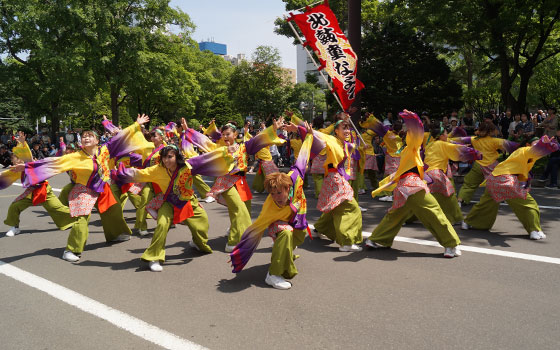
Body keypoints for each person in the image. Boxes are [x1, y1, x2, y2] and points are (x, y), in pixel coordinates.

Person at [10, 115, 150, 262]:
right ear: (81, 141)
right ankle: (72, 249)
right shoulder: (75, 156)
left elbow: (121, 136)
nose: (87, 138)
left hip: (102, 188)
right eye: (84, 136)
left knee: (113, 211)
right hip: (84, 189)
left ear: (97, 140)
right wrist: (27, 166)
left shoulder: (105, 149)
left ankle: (116, 235)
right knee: (82, 218)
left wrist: (136, 124)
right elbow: (53, 162)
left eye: (90, 136)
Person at [116, 144, 234, 271]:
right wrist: (119, 174)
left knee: (201, 225)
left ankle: (198, 243)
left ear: (177, 156)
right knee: (162, 225)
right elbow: (139, 173)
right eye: (164, 157)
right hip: (168, 202)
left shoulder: (188, 165)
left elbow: (206, 158)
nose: (166, 160)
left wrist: (225, 150)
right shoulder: (156, 170)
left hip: (188, 201)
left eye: (170, 157)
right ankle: (154, 257)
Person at [365, 110, 462, 258]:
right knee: (434, 212)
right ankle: (451, 244)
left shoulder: (406, 149)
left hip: (402, 188)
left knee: (395, 215)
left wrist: (372, 121)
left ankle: (376, 239)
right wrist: (414, 121)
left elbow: (384, 131)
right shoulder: (412, 148)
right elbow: (415, 135)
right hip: (413, 186)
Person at [229, 122, 314, 289]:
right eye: (272, 193)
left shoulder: (296, 177)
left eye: (279, 193)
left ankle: (285, 253)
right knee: (285, 235)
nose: (276, 197)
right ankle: (273, 274)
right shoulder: (270, 206)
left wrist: (309, 136)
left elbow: (304, 155)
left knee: (296, 238)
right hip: (278, 225)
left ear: (288, 188)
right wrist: (240, 253)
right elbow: (257, 228)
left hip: (298, 218)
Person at [183, 118, 286, 252]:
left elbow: (259, 139)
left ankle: (231, 230)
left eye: (228, 134)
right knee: (239, 209)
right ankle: (234, 241)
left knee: (245, 210)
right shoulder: (219, 148)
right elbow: (204, 141)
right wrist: (188, 131)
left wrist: (273, 129)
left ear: (235, 135)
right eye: (223, 134)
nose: (225, 137)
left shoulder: (244, 146)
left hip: (241, 182)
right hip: (226, 183)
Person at [463, 135, 559, 239]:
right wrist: (544, 144)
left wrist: (547, 146)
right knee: (529, 204)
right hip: (505, 181)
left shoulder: (527, 156)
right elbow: (535, 150)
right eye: (535, 143)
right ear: (528, 145)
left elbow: (524, 173)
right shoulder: (525, 150)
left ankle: (467, 222)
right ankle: (534, 230)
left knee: (485, 204)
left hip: (494, 180)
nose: (538, 147)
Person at [1, 132, 74, 237]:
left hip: (43, 191)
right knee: (14, 206)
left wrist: (23, 143)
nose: (13, 163)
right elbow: (4, 176)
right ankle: (14, 227)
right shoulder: (16, 169)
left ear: (21, 159)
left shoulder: (31, 164)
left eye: (15, 160)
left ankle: (78, 217)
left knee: (58, 208)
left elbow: (27, 155)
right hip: (30, 193)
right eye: (12, 161)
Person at [310, 115, 363, 252]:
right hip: (335, 179)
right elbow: (320, 135)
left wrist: (364, 146)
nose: (347, 131)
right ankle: (346, 242)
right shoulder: (331, 139)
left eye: (348, 128)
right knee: (351, 207)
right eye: (343, 128)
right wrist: (307, 130)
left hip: (336, 178)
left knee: (335, 207)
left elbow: (354, 148)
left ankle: (319, 229)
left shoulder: (345, 144)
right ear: (336, 131)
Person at [423, 125, 481, 225]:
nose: (447, 135)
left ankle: (407, 217)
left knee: (427, 198)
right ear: (441, 136)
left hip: (427, 175)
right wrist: (476, 154)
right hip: (436, 173)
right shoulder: (442, 144)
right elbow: (457, 150)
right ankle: (455, 218)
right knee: (449, 196)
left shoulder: (430, 145)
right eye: (445, 133)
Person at [455, 121, 519, 205]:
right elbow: (513, 145)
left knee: (469, 184)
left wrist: (446, 139)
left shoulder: (474, 139)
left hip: (478, 165)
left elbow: (459, 140)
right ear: (491, 131)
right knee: (498, 182)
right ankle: (500, 197)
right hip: (491, 166)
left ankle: (460, 200)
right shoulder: (495, 141)